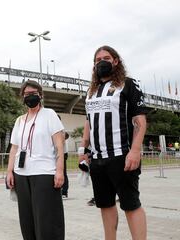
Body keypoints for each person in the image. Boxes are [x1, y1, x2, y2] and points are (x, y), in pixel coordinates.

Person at [79, 45, 147, 240]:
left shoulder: (127, 84)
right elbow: (88, 122)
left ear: (116, 61)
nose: (102, 61)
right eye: (98, 59)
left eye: (106, 58)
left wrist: (135, 150)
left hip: (122, 155)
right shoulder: (91, 91)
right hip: (98, 159)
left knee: (131, 204)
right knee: (105, 205)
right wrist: (85, 149)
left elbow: (140, 121)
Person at [6, 80, 65, 240]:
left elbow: (60, 144)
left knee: (47, 221)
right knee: (27, 221)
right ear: (22, 97)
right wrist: (9, 171)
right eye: (26, 94)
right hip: (21, 174)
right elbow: (14, 148)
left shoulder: (49, 115)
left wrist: (60, 171)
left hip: (44, 173)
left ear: (40, 95)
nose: (30, 97)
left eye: (33, 94)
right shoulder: (19, 120)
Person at [62, 132, 69, 198]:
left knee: (63, 173)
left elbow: (67, 135)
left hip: (63, 154)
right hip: (57, 154)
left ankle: (64, 192)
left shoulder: (62, 131)